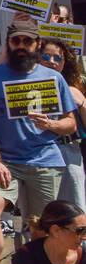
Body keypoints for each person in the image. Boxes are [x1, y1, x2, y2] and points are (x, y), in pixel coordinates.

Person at [0, 19, 80, 264]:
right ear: (8, 43)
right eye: (16, 41)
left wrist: (52, 124)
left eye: (27, 41)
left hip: (44, 160)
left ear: (37, 44)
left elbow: (71, 123)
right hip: (5, 161)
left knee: (41, 227)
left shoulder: (53, 78)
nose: (21, 46)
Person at [38, 38, 86, 208]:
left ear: (65, 63)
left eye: (58, 58)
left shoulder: (73, 88)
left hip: (68, 153)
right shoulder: (25, 83)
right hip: (37, 155)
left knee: (76, 210)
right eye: (46, 56)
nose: (51, 62)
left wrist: (81, 103)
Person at [11, 200, 85, 264]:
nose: (84, 237)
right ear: (55, 230)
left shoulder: (83, 254)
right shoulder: (26, 255)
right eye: (80, 230)